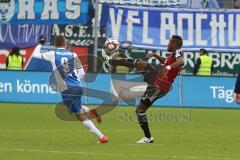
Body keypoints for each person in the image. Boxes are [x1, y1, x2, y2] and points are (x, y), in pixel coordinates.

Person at [102, 35, 184, 143]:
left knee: (140, 110)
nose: (168, 44)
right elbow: (166, 61)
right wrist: (155, 55)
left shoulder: (177, 52)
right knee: (140, 63)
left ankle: (148, 138)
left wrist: (167, 68)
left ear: (174, 44)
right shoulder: (172, 55)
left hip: (161, 85)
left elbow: (181, 61)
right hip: (157, 82)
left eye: (170, 42)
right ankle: (112, 62)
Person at [32, 35, 108, 144]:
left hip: (66, 88)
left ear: (55, 45)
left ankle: (101, 137)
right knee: (76, 107)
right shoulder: (74, 54)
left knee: (78, 114)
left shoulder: (52, 54)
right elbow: (82, 73)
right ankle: (92, 111)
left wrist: (40, 44)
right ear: (65, 44)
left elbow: (35, 55)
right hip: (78, 85)